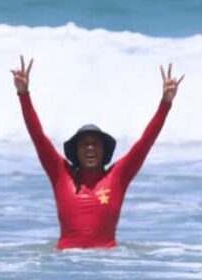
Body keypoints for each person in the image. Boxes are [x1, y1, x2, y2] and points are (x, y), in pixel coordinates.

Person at [11, 56, 183, 249]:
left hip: (106, 267)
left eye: (95, 143)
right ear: (76, 151)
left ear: (104, 150)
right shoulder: (60, 174)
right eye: (84, 144)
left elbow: (145, 142)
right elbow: (38, 137)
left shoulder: (118, 176)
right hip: (65, 266)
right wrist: (23, 94)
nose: (90, 148)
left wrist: (165, 103)